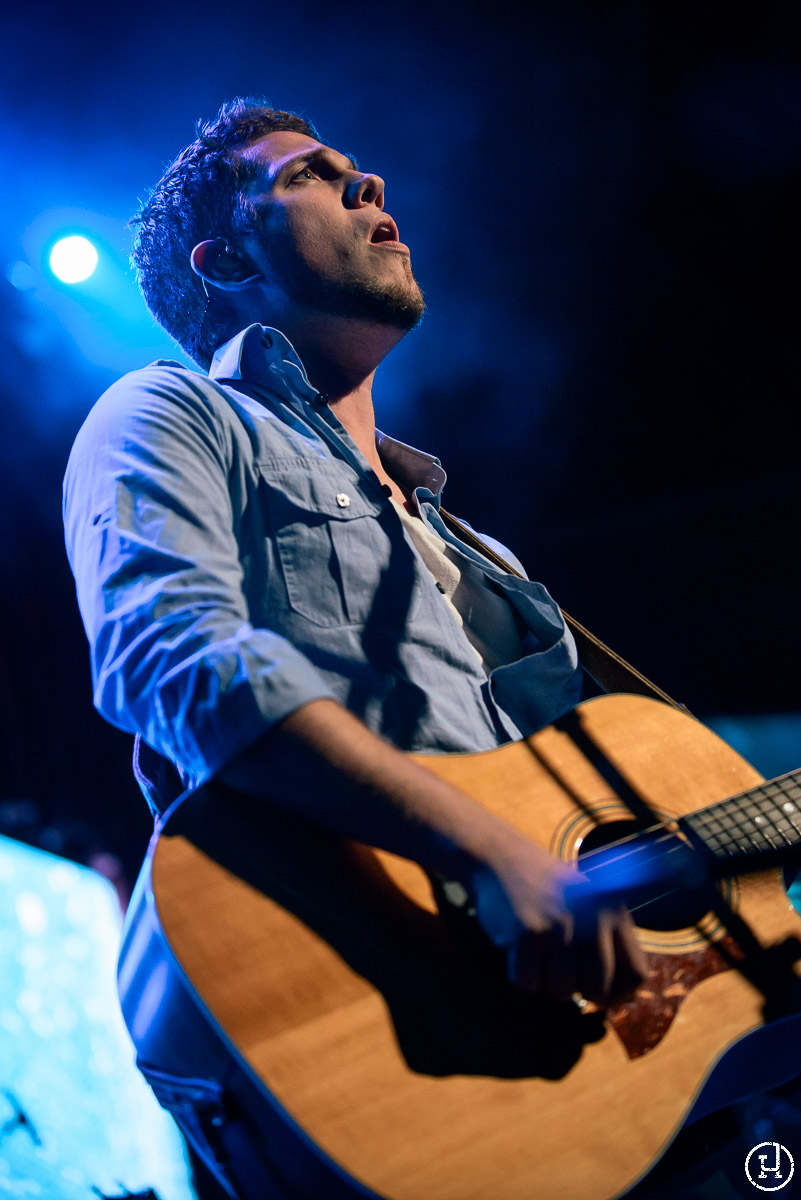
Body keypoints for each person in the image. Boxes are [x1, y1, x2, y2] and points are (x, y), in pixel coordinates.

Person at [64, 98, 658, 1195]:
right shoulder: (167, 415)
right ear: (225, 256)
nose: (369, 185)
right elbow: (174, 657)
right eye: (312, 175)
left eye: (360, 169)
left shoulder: (479, 549)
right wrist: (482, 850)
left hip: (597, 1052)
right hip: (356, 1006)